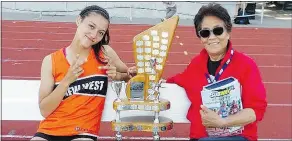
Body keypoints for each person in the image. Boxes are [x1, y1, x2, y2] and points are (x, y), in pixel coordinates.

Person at [165, 3, 267, 141]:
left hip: (238, 137)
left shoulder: (246, 65)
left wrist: (223, 122)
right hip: (201, 137)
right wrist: (143, 74)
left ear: (228, 32)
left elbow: (256, 110)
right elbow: (176, 80)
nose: (212, 37)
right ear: (200, 37)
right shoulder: (195, 65)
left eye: (218, 30)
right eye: (205, 33)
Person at [31, 5, 132, 141]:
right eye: (91, 26)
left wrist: (118, 76)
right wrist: (67, 81)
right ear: (79, 20)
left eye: (101, 32)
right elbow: (44, 110)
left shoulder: (105, 53)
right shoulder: (51, 61)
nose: (94, 35)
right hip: (49, 131)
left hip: (84, 133)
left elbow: (131, 76)